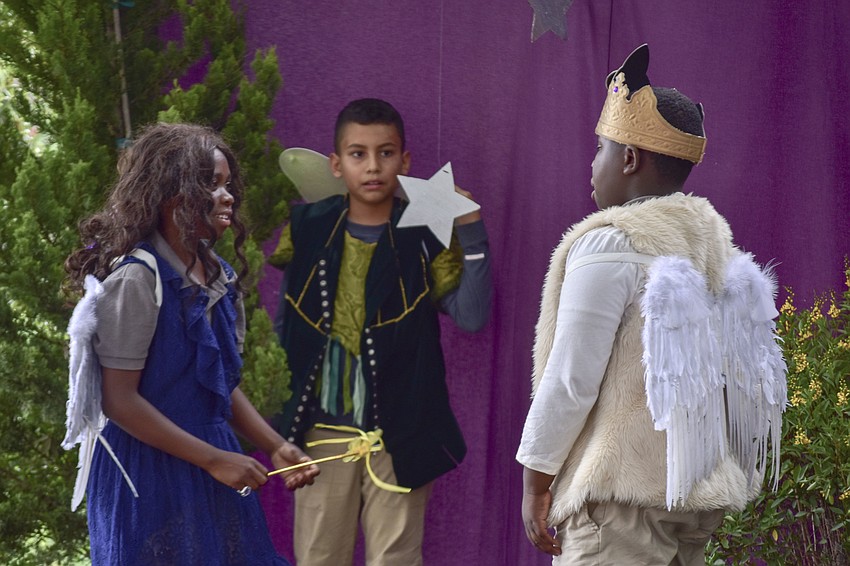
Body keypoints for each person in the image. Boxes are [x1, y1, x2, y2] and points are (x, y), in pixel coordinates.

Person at [516, 44, 786, 564]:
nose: (593, 165)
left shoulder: (609, 243)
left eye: (601, 149)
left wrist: (536, 479)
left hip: (618, 497)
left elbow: (571, 377)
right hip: (690, 498)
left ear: (630, 158)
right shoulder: (713, 248)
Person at [64, 122, 319, 565]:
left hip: (210, 460)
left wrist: (275, 444)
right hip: (149, 470)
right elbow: (118, 401)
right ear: (169, 195)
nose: (228, 196)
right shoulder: (137, 280)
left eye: (226, 184)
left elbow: (217, 383)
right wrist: (214, 459)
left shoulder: (216, 274)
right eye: (211, 185)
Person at [268, 98, 492, 565]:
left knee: (395, 558)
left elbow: (471, 317)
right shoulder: (306, 228)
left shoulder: (426, 234)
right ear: (336, 163)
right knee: (318, 556)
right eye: (358, 154)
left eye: (386, 153)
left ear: (404, 161)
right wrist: (276, 427)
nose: (373, 166)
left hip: (401, 433)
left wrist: (470, 230)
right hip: (320, 432)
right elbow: (286, 326)